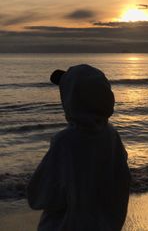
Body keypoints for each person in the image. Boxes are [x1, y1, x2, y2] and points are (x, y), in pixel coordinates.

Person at [27, 64, 130, 231]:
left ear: (71, 98)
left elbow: (37, 195)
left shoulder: (65, 141)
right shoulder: (111, 136)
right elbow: (122, 182)